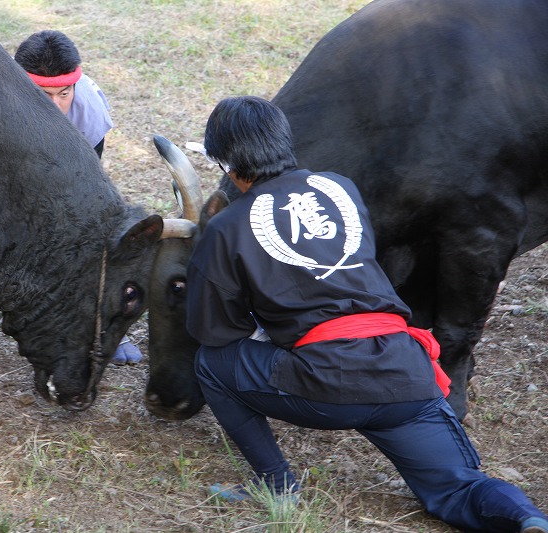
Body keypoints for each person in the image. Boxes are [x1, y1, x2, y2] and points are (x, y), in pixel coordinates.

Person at [186, 95, 548, 533]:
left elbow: (215, 329)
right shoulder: (339, 188)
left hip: (324, 382)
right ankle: (526, 518)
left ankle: (277, 485)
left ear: (223, 161)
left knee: (211, 363)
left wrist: (263, 319)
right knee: (461, 487)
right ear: (284, 141)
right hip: (404, 373)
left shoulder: (227, 226)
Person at [14, 30, 141, 366]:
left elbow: (85, 181)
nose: (54, 105)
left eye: (64, 93)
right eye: (43, 94)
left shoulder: (90, 112)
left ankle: (107, 325)